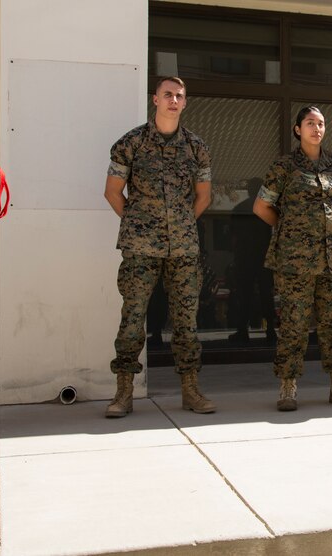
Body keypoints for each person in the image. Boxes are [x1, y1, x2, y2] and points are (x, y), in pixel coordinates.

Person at [103, 76, 216, 418]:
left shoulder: (196, 147)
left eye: (179, 96)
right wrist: (139, 222)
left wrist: (179, 224)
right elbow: (112, 192)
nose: (173, 100)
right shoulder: (131, 143)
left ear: (185, 103)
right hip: (140, 247)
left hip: (183, 248)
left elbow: (204, 196)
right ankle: (123, 393)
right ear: (155, 99)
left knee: (186, 321)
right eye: (167, 94)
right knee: (133, 318)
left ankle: (191, 390)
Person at [254, 106, 332, 411]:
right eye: (310, 123)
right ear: (297, 129)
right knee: (293, 324)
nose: (316, 128)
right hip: (295, 262)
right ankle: (288, 387)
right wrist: (291, 230)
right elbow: (261, 208)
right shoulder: (284, 167)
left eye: (321, 123)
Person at [228, 178, 277, 345]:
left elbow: (233, 237)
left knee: (245, 296)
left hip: (246, 258)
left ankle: (243, 330)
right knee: (266, 295)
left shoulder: (240, 208)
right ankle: (270, 330)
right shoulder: (268, 209)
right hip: (263, 258)